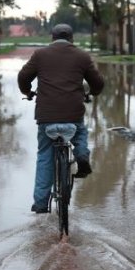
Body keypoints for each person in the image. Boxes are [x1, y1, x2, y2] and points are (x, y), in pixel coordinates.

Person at [17, 23, 105, 214]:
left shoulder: (40, 55)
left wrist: (28, 91)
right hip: (73, 114)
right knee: (80, 131)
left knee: (44, 156)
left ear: (52, 38)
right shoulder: (82, 56)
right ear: (72, 39)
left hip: (46, 117)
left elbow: (23, 76)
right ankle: (81, 154)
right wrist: (92, 92)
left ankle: (40, 203)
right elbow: (98, 82)